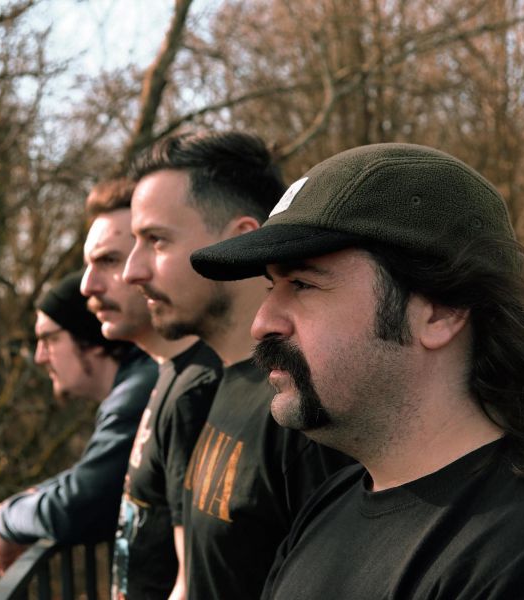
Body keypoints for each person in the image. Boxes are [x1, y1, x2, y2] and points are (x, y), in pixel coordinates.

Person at [190, 142, 524, 598]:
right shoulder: (329, 505)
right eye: (272, 287)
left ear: (441, 311)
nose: (262, 323)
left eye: (303, 284)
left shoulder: (515, 551)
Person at [124, 131, 352, 600]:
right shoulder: (217, 384)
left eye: (156, 241)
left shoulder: (303, 409)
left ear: (241, 238)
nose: (132, 271)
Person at [81, 178, 223, 600]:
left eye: (108, 260)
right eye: (89, 264)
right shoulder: (166, 376)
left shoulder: (199, 390)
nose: (88, 285)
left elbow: (192, 580)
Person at [0, 270, 158, 575]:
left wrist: (7, 519)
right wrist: (24, 501)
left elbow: (79, 503)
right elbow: (88, 476)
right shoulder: (137, 384)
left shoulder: (137, 395)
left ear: (90, 338)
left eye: (49, 339)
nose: (40, 357)